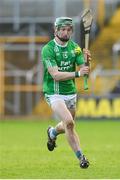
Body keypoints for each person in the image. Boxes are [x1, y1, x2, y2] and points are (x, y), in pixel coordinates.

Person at [41, 17, 91, 168]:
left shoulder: (75, 48)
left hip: (70, 92)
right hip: (54, 93)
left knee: (67, 125)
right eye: (62, 29)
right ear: (55, 30)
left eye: (69, 30)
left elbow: (85, 71)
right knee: (69, 123)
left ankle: (52, 133)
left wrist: (88, 62)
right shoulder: (48, 49)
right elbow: (55, 75)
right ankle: (81, 157)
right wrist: (77, 74)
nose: (65, 32)